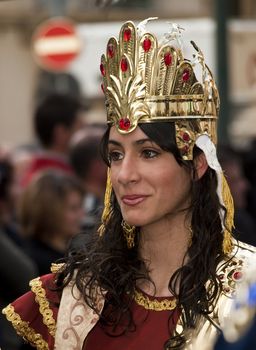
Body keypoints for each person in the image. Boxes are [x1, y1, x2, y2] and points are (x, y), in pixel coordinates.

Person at [2, 19, 256, 350]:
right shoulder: (70, 299)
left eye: (149, 153)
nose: (124, 174)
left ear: (196, 164)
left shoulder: (246, 291)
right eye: (116, 155)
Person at [18, 170, 84, 275]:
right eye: (73, 208)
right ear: (49, 212)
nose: (81, 214)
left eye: (80, 206)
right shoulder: (32, 262)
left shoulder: (75, 254)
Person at [21, 93, 85, 188]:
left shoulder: (30, 173)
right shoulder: (62, 182)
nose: (85, 137)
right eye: (81, 128)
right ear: (61, 133)